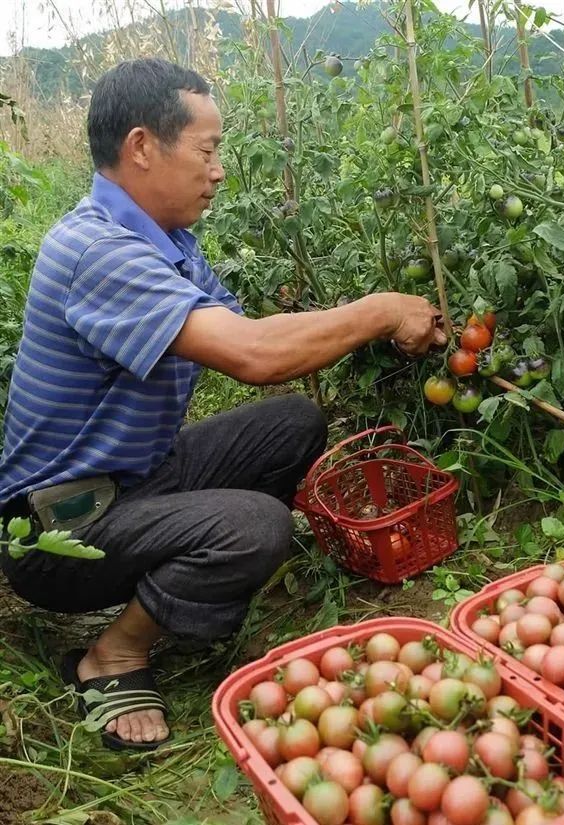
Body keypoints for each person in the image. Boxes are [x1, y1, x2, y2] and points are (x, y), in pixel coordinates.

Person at [0, 58, 446, 751]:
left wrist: (343, 319)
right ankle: (112, 653)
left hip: (131, 482)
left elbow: (249, 336)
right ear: (142, 147)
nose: (218, 170)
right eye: (206, 151)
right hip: (56, 533)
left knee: (292, 422)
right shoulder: (98, 250)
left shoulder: (166, 243)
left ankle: (191, 590)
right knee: (253, 526)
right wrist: (380, 310)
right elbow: (253, 354)